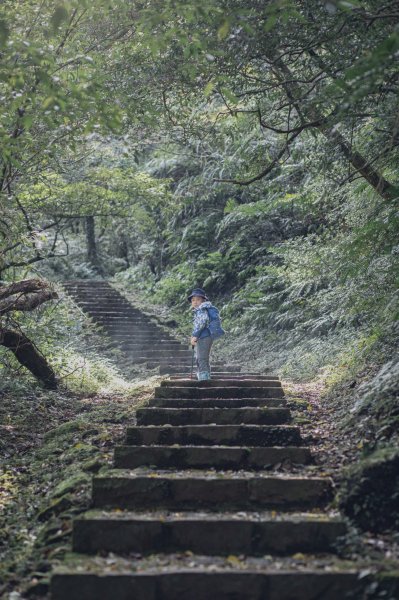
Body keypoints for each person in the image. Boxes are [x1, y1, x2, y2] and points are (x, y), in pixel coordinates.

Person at [187, 288, 223, 381]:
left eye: (198, 299)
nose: (195, 302)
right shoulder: (200, 310)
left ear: (203, 300)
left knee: (201, 358)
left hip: (204, 336)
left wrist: (195, 335)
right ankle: (205, 376)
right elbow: (199, 324)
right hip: (203, 336)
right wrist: (194, 335)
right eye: (193, 300)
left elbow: (202, 322)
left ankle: (204, 379)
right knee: (202, 357)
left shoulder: (202, 309)